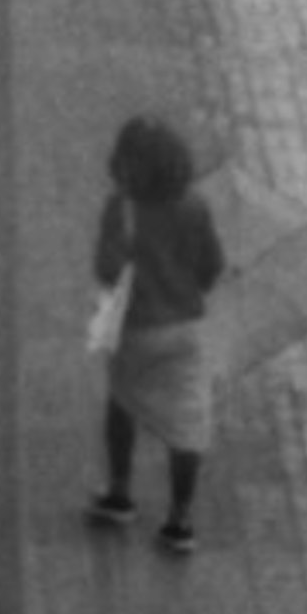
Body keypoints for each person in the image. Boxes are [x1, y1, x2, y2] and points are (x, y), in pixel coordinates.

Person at [85, 112, 225, 559]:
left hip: (136, 329)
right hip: (184, 329)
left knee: (122, 402)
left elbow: (107, 270)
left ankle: (120, 494)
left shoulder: (121, 208)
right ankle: (180, 520)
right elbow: (211, 266)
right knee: (188, 422)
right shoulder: (196, 206)